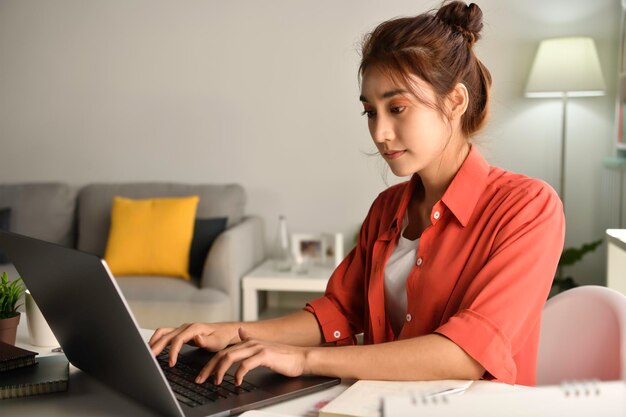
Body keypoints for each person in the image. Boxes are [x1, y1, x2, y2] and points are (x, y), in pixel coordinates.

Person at [149, 1, 565, 387]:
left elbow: (467, 354)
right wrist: (232, 333)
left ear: (455, 101)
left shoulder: (528, 208)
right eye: (370, 111)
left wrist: (303, 359)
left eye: (397, 108)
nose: (380, 133)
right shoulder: (389, 207)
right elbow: (340, 311)